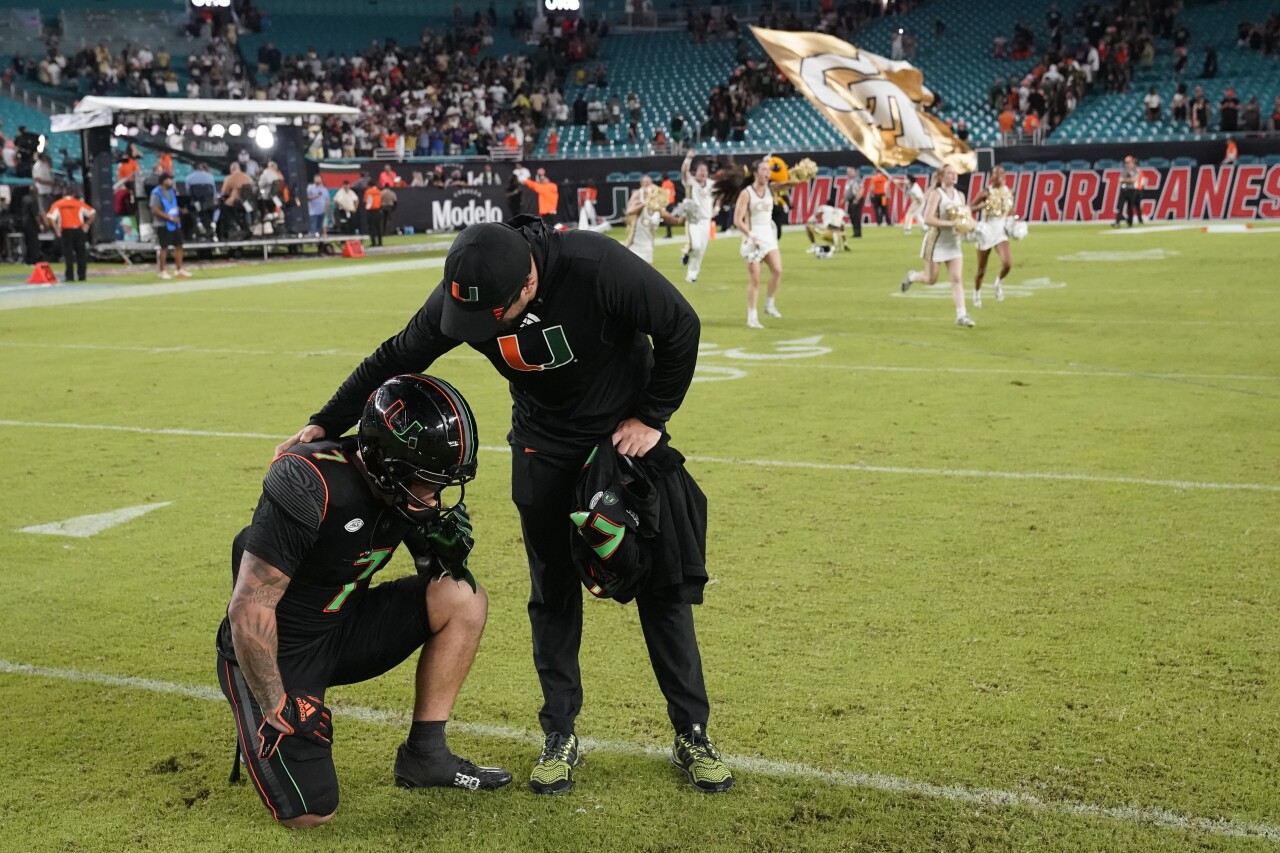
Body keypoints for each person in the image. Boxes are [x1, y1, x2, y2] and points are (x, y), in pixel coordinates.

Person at [272, 218, 733, 797]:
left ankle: (692, 731)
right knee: (553, 591)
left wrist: (651, 415)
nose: (477, 330)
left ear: (528, 282)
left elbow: (679, 325)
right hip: (543, 446)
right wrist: (324, 420)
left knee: (661, 585)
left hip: (621, 444)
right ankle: (559, 733)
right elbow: (400, 353)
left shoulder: (596, 264)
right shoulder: (469, 289)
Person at [218, 374, 512, 828]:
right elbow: (249, 609)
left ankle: (425, 756)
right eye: (426, 482)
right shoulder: (310, 480)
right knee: (312, 812)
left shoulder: (399, 485)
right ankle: (262, 713)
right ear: (386, 466)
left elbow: (423, 552)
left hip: (345, 625)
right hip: (278, 650)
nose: (435, 498)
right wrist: (278, 704)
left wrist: (434, 554)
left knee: (461, 597)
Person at [899, 165, 975, 328]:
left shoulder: (960, 195)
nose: (953, 176)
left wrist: (968, 227)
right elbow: (927, 219)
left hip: (953, 243)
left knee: (956, 278)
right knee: (931, 279)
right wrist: (950, 223)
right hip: (936, 242)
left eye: (955, 173)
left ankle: (961, 315)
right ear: (941, 176)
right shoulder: (936, 194)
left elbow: (963, 217)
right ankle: (912, 276)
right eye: (949, 173)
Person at [718, 159, 783, 329]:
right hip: (753, 238)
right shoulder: (746, 193)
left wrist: (801, 176)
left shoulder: (770, 189)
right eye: (763, 169)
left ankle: (769, 304)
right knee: (755, 279)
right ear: (755, 173)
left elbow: (787, 185)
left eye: (768, 170)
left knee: (777, 270)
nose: (767, 172)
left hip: (768, 236)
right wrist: (750, 235)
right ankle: (752, 317)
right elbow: (737, 220)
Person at [969, 165, 1014, 307]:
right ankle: (976, 293)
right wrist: (982, 206)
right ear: (991, 177)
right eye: (996, 174)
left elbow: (1010, 210)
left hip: (1000, 232)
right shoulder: (985, 192)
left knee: (1007, 263)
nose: (999, 176)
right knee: (981, 270)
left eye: (1002, 173)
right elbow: (969, 208)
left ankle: (998, 283)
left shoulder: (1008, 192)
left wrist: (1013, 221)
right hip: (986, 233)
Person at [624, 174, 682, 264]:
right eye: (645, 184)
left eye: (649, 183)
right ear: (641, 184)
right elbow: (629, 211)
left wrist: (681, 219)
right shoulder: (638, 197)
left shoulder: (656, 202)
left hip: (648, 248)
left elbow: (669, 217)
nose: (648, 186)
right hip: (634, 246)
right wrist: (644, 204)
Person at [46, 185, 96, 282]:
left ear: (63, 194)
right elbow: (93, 213)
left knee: (68, 254)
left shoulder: (58, 204)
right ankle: (82, 276)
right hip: (79, 230)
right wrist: (87, 224)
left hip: (66, 231)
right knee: (81, 254)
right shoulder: (78, 203)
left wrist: (56, 229)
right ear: (73, 194)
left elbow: (51, 217)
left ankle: (69, 276)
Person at [679, 149, 715, 283]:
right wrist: (688, 159)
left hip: (707, 221)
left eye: (705, 170)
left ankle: (692, 275)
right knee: (696, 245)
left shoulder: (711, 184)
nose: (703, 172)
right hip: (694, 220)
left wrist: (717, 207)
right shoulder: (691, 182)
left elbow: (720, 194)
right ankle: (686, 251)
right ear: (696, 171)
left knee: (701, 250)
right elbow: (684, 172)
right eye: (701, 170)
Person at [150, 173, 190, 279]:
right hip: (163, 224)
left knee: (179, 245)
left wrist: (181, 211)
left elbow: (173, 205)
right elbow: (155, 210)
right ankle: (162, 271)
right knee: (164, 248)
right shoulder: (156, 193)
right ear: (164, 181)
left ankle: (179, 269)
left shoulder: (171, 191)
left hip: (175, 223)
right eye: (169, 180)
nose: (171, 182)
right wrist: (169, 218)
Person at [1113, 155, 1140, 228]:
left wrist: (1125, 180)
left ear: (1132, 161)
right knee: (1120, 207)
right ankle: (1117, 222)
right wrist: (1126, 180)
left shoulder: (1135, 169)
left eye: (1128, 162)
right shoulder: (1124, 169)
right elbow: (1120, 180)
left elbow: (1134, 180)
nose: (1126, 164)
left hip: (1132, 190)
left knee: (1130, 208)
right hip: (1124, 190)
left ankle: (1130, 223)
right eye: (1126, 162)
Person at [841, 168, 863, 240]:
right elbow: (846, 190)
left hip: (856, 199)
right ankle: (855, 232)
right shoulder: (848, 181)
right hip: (850, 200)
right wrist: (844, 198)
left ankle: (858, 232)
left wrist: (857, 199)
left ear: (854, 172)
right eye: (848, 172)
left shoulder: (857, 180)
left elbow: (861, 189)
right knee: (852, 216)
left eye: (850, 172)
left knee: (856, 216)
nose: (849, 173)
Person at [362, 177, 383, 246]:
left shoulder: (368, 192)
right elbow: (380, 201)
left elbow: (367, 202)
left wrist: (367, 208)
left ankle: (373, 242)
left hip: (371, 211)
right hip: (378, 210)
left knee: (372, 228)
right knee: (378, 227)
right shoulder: (379, 191)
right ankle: (380, 242)